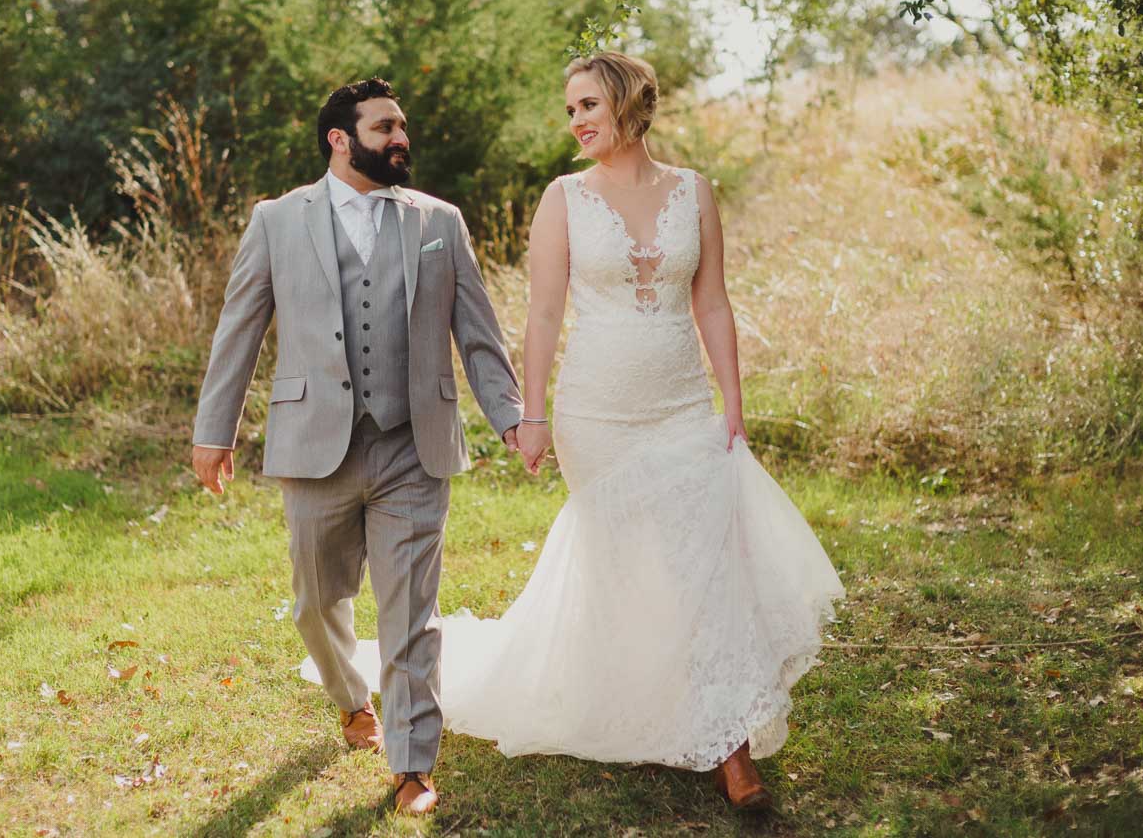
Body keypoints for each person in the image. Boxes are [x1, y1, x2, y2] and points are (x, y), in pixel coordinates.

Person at [306, 53, 843, 810]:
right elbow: (545, 315)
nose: (577, 121)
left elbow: (713, 304)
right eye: (570, 110)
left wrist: (733, 401)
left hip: (686, 405)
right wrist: (532, 413)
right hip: (599, 415)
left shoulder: (695, 191)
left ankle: (732, 747)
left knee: (705, 564)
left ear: (627, 104)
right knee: (636, 567)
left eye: (588, 104)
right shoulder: (563, 199)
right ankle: (662, 703)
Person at [191, 78, 523, 816]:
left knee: (410, 612)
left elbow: (478, 331)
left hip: (414, 445)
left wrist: (511, 417)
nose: (401, 137)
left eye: (402, 125)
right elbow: (239, 329)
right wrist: (214, 431)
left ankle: (413, 766)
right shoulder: (278, 221)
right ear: (341, 139)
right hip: (315, 446)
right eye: (386, 126)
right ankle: (348, 697)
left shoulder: (440, 220)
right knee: (317, 602)